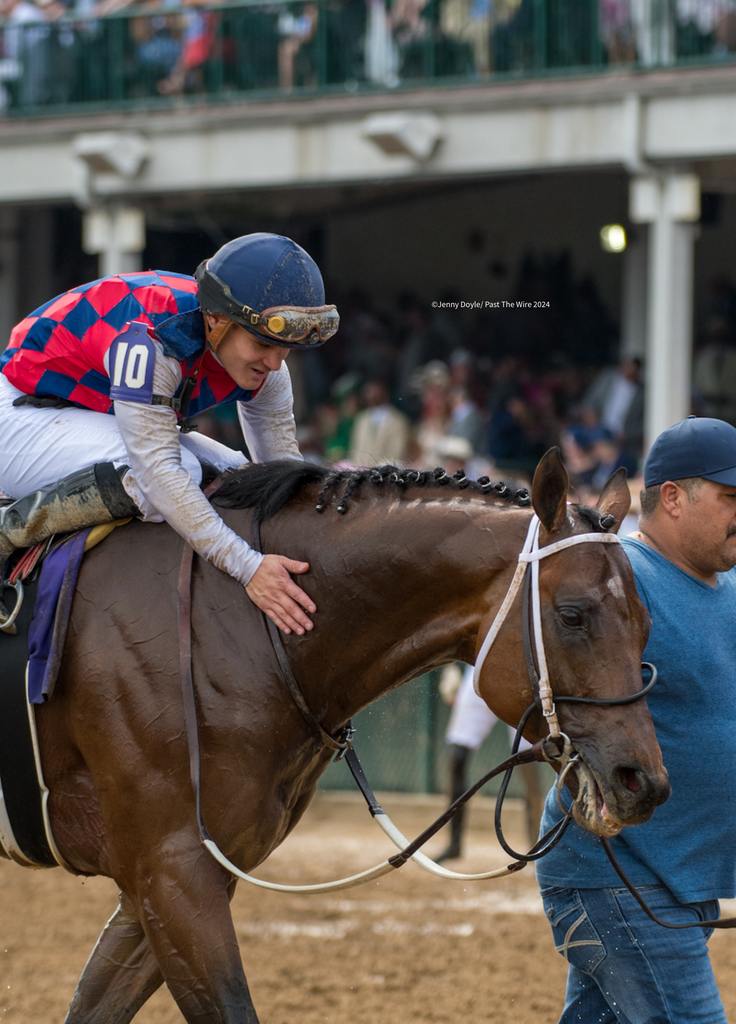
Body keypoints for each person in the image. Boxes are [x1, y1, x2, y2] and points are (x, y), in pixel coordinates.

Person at [0, 232, 339, 636]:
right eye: (262, 343)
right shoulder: (151, 338)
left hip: (85, 415)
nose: (274, 361)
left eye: (286, 348)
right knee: (173, 476)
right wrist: (248, 570)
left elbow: (282, 473)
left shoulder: (268, 371)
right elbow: (158, 473)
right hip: (20, 414)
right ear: (216, 319)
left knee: (238, 473)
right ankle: (7, 533)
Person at [536, 415, 736, 1024]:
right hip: (617, 871)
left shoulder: (727, 586)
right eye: (731, 498)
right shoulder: (615, 579)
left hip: (685, 873)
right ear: (672, 498)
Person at [436, 662, 543, 862]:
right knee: (456, 756)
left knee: (529, 759)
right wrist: (450, 666)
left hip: (522, 675)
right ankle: (454, 844)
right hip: (480, 671)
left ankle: (535, 846)